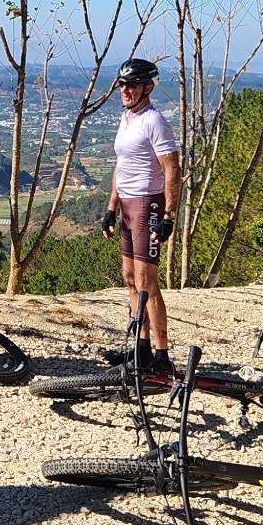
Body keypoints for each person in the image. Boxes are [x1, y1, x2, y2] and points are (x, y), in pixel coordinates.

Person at [101, 57, 181, 373]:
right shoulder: (127, 118)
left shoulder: (154, 121)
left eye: (132, 85)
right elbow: (121, 166)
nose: (125, 90)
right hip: (126, 205)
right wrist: (111, 207)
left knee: (147, 282)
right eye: (122, 84)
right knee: (130, 279)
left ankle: (161, 358)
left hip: (148, 203)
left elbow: (172, 169)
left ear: (147, 87)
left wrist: (169, 216)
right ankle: (141, 349)